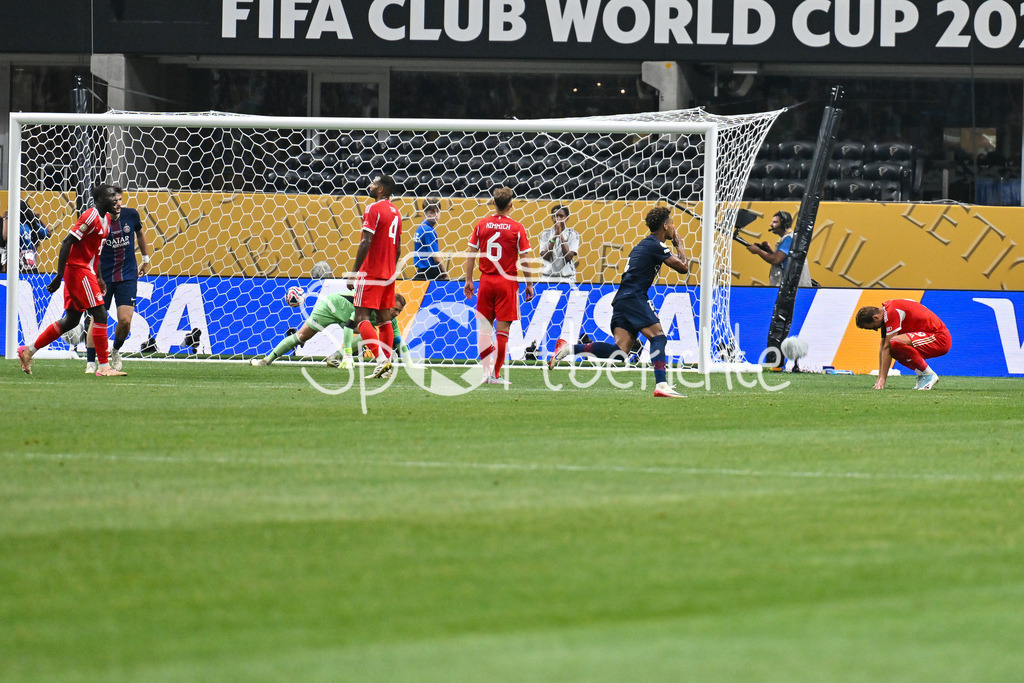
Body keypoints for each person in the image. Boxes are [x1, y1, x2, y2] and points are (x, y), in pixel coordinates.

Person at [548, 206, 688, 398]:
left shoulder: (643, 245)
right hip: (634, 297)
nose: (674, 227)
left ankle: (568, 349)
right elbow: (683, 268)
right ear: (665, 226)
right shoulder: (657, 245)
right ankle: (662, 385)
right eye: (672, 223)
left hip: (622, 299)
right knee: (658, 337)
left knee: (620, 352)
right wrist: (679, 244)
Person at [17, 184, 126, 377]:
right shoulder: (90, 216)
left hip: (86, 271)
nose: (116, 200)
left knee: (71, 319)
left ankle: (28, 351)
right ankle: (103, 367)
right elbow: (67, 242)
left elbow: (94, 251)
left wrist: (99, 276)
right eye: (111, 196)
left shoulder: (107, 218)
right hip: (77, 269)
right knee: (100, 314)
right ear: (100, 199)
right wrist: (59, 276)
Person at [464, 186, 535, 385]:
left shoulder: (482, 224)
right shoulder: (517, 227)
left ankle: (486, 372)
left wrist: (469, 280)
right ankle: (495, 374)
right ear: (511, 205)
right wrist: (529, 284)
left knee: (485, 329)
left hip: (486, 281)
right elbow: (526, 258)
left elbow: (470, 254)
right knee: (503, 330)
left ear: (493, 203)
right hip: (507, 282)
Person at [83, 187, 151, 373]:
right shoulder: (97, 220)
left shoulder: (131, 215)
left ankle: (115, 350)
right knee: (97, 319)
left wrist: (145, 259)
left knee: (125, 321)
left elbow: (140, 233)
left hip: (128, 275)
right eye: (114, 200)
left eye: (120, 199)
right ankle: (90, 362)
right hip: (103, 277)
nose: (118, 203)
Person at [252, 289, 406, 368]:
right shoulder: (373, 306)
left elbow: (398, 340)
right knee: (302, 336)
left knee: (367, 333)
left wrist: (410, 363)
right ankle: (267, 360)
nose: (397, 314)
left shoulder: (389, 317)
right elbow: (349, 326)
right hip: (330, 306)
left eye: (399, 311)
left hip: (350, 316)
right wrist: (348, 354)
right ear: (389, 304)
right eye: (395, 310)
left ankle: (334, 357)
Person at [351, 174, 402, 379]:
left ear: (381, 190)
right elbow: (397, 248)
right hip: (388, 273)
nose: (370, 186)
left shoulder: (373, 209)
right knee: (383, 318)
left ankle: (380, 360)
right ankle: (387, 366)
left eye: (373, 184)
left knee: (361, 317)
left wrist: (354, 273)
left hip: (371, 271)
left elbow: (366, 242)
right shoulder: (397, 213)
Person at [855, 299, 951, 390]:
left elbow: (886, 347)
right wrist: (880, 378)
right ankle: (922, 375)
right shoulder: (885, 312)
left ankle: (929, 375)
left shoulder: (892, 312)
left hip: (939, 338)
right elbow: (883, 346)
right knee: (893, 348)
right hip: (927, 336)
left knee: (895, 342)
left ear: (875, 317)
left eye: (873, 327)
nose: (876, 330)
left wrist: (882, 380)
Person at [745, 210, 812, 287]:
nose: (771, 224)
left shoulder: (789, 239)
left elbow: (776, 260)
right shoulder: (788, 238)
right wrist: (769, 250)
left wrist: (758, 251)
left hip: (794, 288)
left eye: (775, 222)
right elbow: (783, 260)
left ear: (784, 224)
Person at [1, 200, 51, 274]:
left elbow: (6, 237)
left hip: (16, 267)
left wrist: (5, 219)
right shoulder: (33, 227)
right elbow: (48, 234)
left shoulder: (15, 227)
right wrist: (36, 218)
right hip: (32, 268)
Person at [538, 205, 580, 281]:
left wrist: (561, 236)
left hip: (567, 277)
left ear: (567, 218)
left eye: (561, 216)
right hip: (548, 277)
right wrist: (554, 237)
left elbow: (568, 258)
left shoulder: (573, 234)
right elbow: (545, 257)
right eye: (555, 216)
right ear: (552, 218)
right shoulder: (545, 234)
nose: (558, 219)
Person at [412, 201, 449, 280]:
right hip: (430, 272)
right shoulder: (428, 230)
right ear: (425, 213)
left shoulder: (420, 228)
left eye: (437, 212)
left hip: (422, 271)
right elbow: (436, 257)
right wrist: (445, 273)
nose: (436, 215)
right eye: (432, 212)